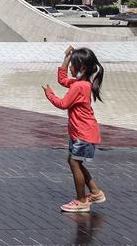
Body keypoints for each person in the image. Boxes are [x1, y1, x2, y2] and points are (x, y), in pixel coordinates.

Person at [43, 46, 107, 213]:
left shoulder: (79, 86)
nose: (70, 67)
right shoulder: (81, 83)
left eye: (72, 65)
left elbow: (63, 104)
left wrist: (49, 94)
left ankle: (81, 201)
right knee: (75, 162)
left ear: (82, 69)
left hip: (83, 133)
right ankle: (95, 192)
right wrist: (66, 57)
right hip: (81, 132)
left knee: (74, 163)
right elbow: (62, 79)